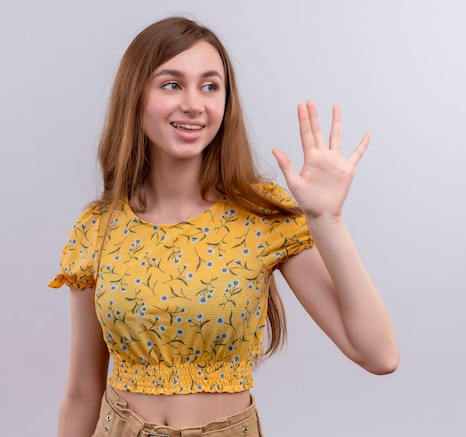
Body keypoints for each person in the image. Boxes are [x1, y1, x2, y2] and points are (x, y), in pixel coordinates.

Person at [48, 16, 399, 437]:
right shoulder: (97, 228)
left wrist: (328, 219)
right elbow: (83, 392)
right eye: (171, 84)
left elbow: (379, 354)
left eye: (210, 86)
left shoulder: (261, 216)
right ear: (135, 95)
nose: (194, 104)